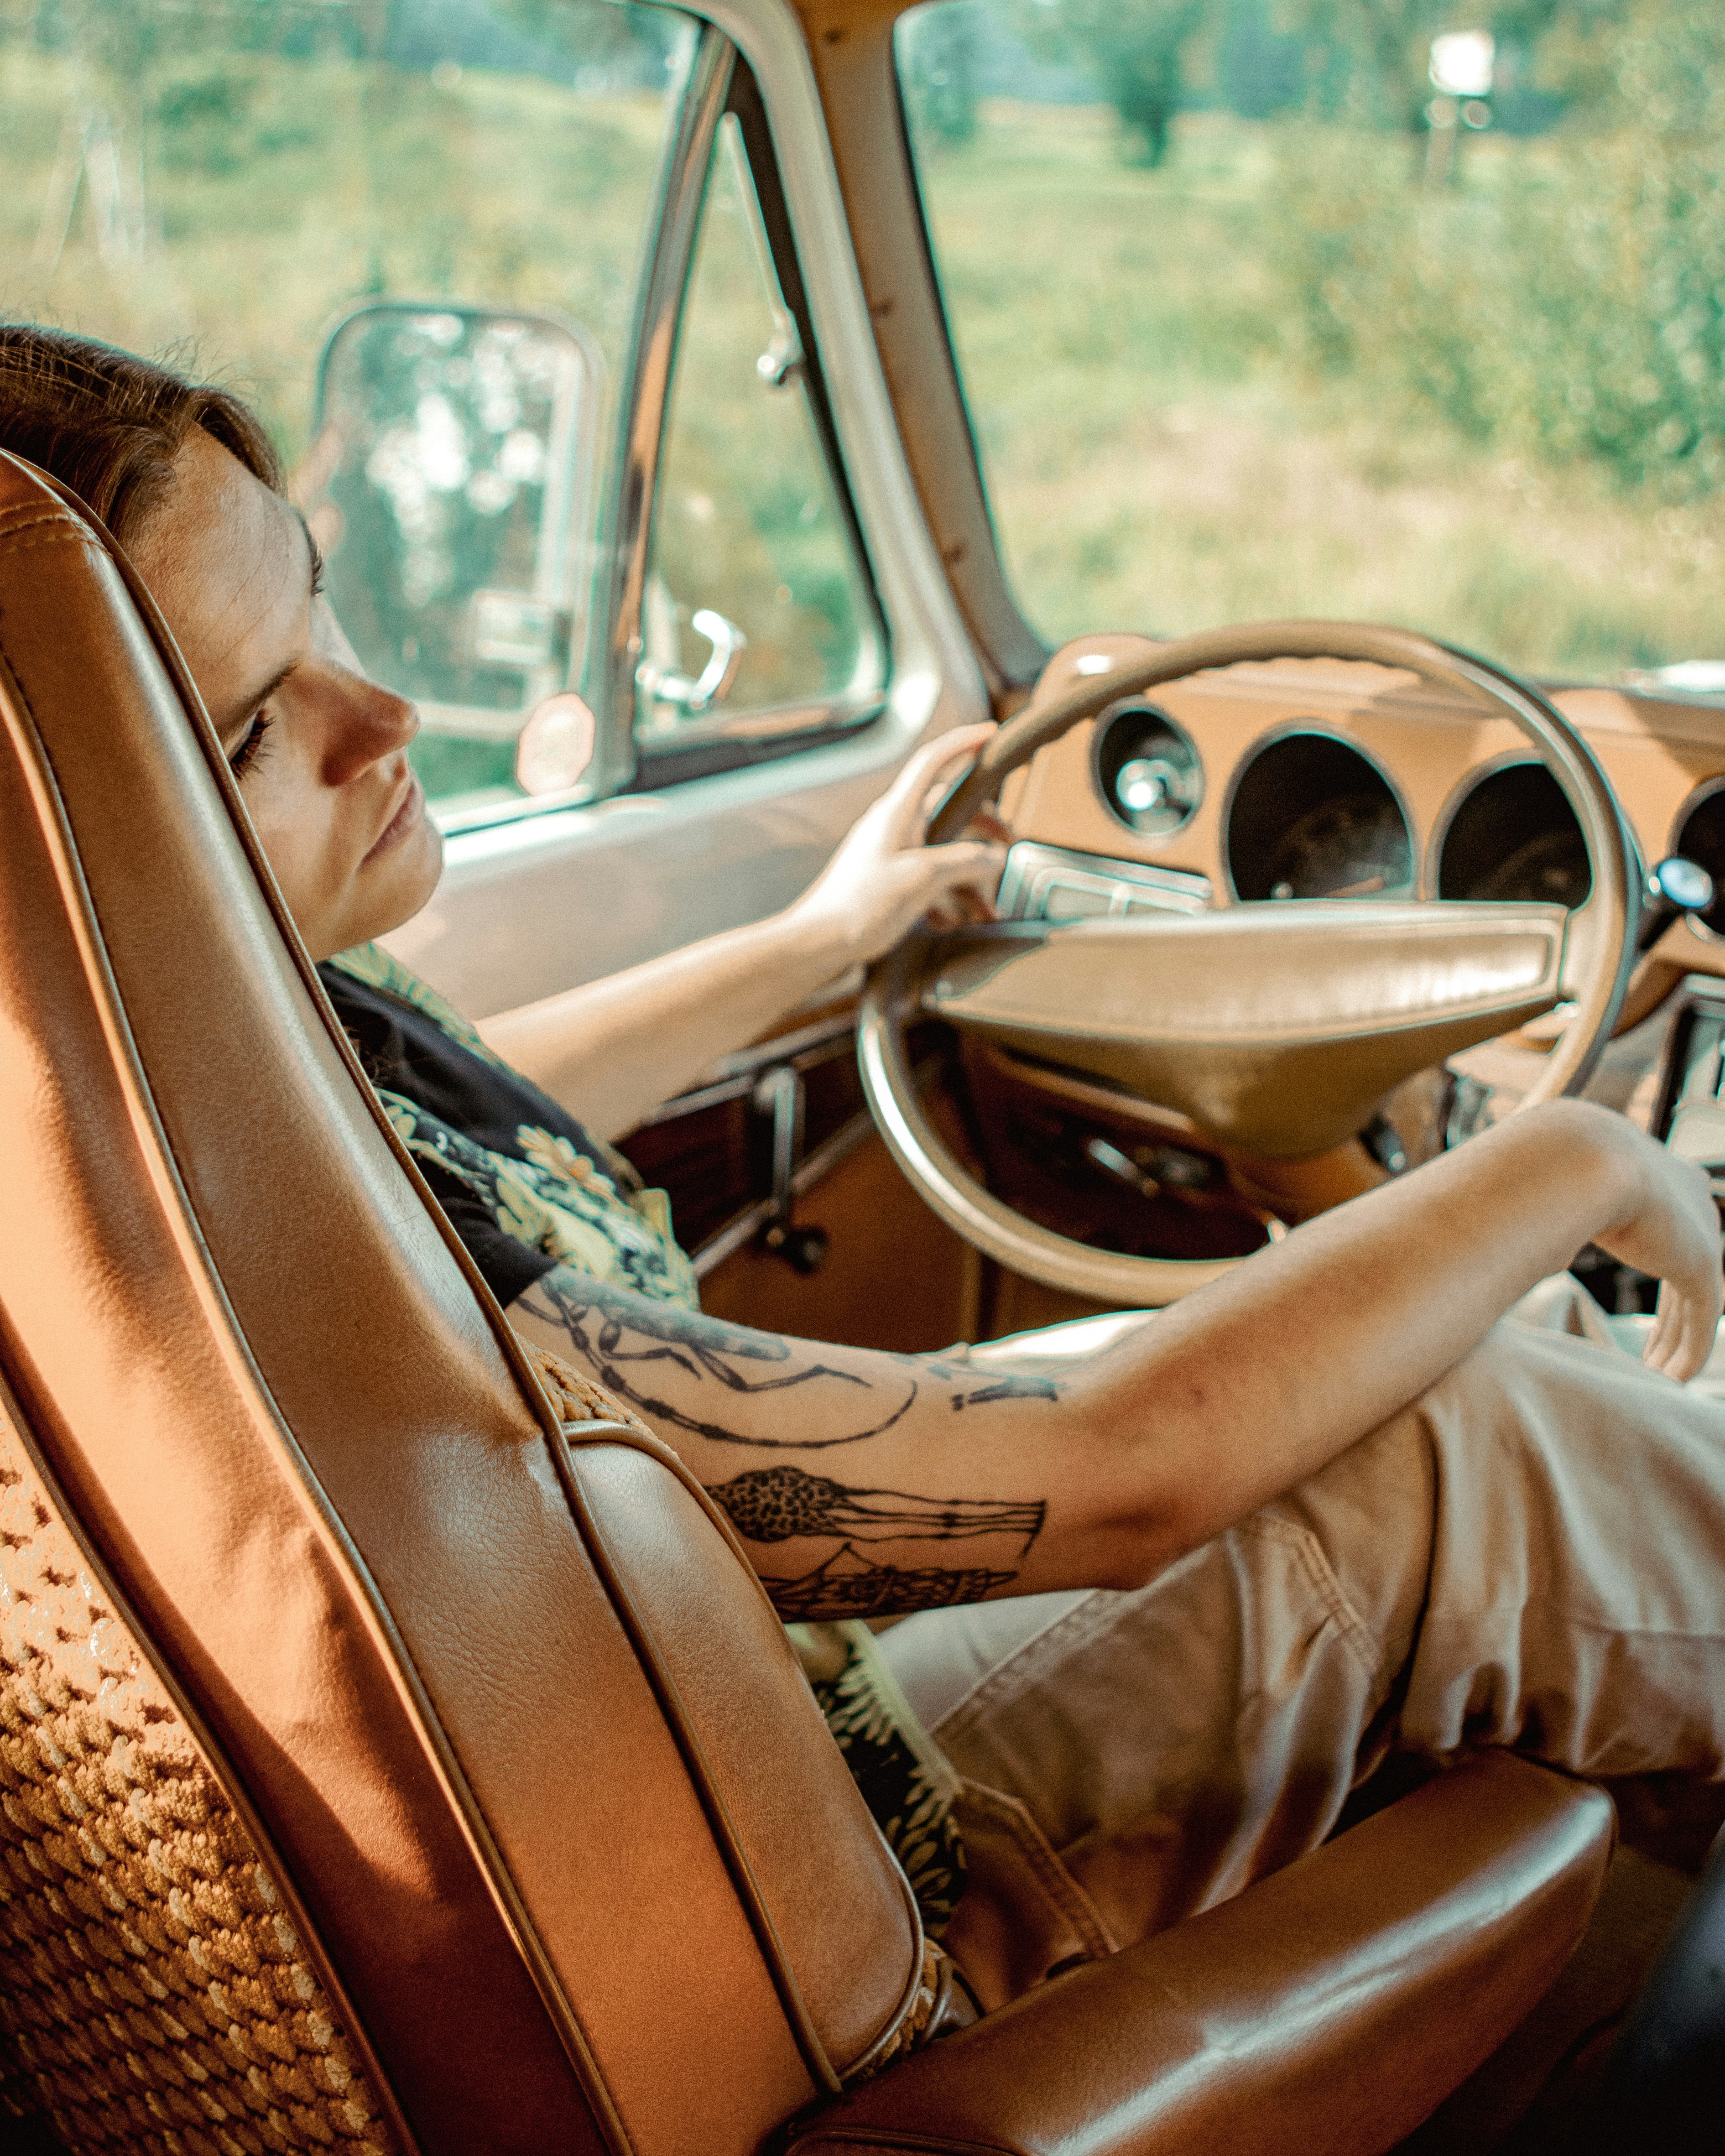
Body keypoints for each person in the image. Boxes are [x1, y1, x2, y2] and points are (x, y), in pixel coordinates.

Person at [7, 326, 1725, 1996]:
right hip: (814, 1879)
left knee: (1492, 1336)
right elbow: (1119, 1480)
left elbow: (495, 1115)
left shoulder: (188, 1039)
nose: (377, 713)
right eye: (242, 733)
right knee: (1458, 1430)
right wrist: (1563, 1161)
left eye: (318, 598)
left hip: (707, 1716)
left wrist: (833, 940)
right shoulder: (302, 1280)